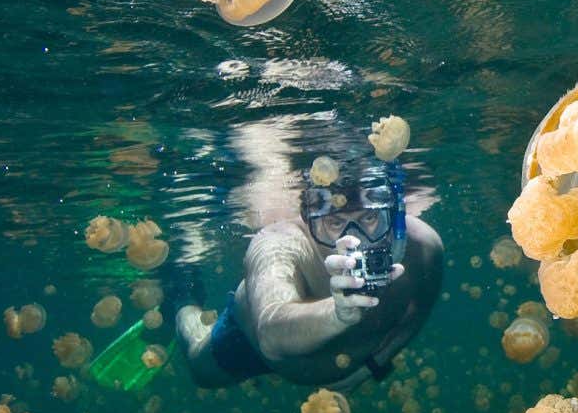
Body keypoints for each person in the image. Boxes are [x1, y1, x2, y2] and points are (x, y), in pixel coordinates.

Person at [176, 150, 443, 390]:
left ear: (392, 214)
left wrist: (372, 366)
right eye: (336, 222)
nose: (356, 239)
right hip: (247, 343)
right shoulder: (278, 242)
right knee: (199, 366)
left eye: (370, 218)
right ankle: (183, 297)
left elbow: (418, 309)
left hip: (332, 365)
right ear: (308, 220)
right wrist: (335, 315)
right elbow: (270, 333)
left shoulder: (423, 245)